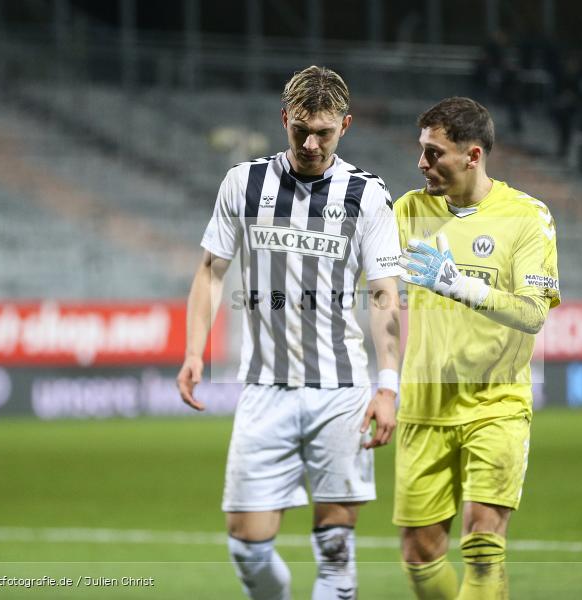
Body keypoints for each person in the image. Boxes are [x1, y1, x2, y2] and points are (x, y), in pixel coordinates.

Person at [176, 66, 402, 600]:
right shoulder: (243, 182)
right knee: (247, 547)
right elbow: (210, 272)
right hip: (264, 390)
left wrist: (388, 384)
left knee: (335, 552)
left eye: (323, 131)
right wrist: (193, 352)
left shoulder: (367, 195)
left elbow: (385, 293)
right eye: (300, 128)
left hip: (342, 391)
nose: (309, 142)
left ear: (345, 125)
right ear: (284, 119)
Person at [394, 97, 560, 599]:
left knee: (483, 545)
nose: (422, 163)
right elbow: (376, 289)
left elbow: (533, 313)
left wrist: (462, 286)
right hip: (424, 403)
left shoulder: (527, 217)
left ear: (472, 155)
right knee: (420, 556)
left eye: (433, 153)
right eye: (422, 151)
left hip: (497, 402)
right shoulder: (408, 210)